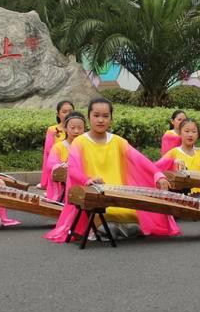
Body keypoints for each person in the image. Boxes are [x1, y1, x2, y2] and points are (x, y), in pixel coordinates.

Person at [44, 97, 180, 242]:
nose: (100, 120)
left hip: (119, 198)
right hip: (96, 197)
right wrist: (87, 180)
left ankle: (113, 229)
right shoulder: (80, 142)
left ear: (111, 119)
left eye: (105, 116)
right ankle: (104, 229)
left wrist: (158, 174)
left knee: (132, 224)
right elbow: (73, 169)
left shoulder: (118, 141)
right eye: (96, 115)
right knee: (108, 224)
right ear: (89, 117)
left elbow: (140, 160)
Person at [45, 111, 86, 203]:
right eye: (72, 128)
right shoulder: (58, 147)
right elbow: (50, 166)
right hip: (65, 191)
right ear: (65, 128)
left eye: (80, 128)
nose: (76, 131)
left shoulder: (87, 147)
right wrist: (62, 166)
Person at [41, 100, 75, 190]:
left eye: (70, 111)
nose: (68, 114)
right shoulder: (52, 130)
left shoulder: (77, 130)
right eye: (64, 112)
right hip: (58, 166)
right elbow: (48, 151)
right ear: (58, 114)